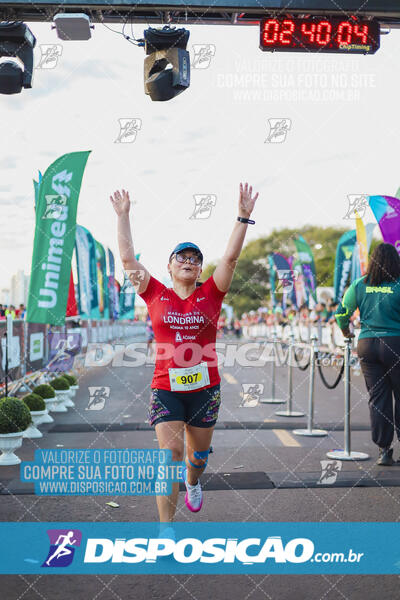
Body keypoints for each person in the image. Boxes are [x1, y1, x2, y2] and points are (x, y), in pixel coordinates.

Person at [110, 182, 259, 530]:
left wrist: (243, 217)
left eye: (195, 259)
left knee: (198, 457)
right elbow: (128, 260)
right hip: (166, 388)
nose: (190, 262)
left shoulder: (212, 293)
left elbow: (231, 258)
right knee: (170, 457)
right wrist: (123, 216)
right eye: (183, 257)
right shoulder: (155, 293)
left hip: (206, 389)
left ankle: (194, 481)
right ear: (170, 265)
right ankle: (166, 529)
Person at [335, 243, 400, 466]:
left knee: (378, 398)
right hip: (396, 343)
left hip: (367, 344)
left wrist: (346, 331)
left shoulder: (360, 284)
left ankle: (384, 450)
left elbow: (342, 313)